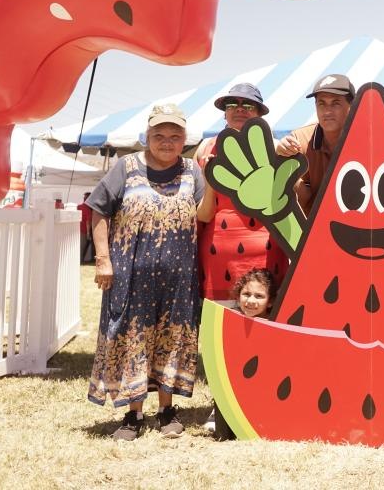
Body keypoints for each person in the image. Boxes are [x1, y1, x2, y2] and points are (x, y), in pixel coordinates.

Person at [87, 103, 210, 441]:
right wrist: (103, 259)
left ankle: (167, 411)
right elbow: (98, 210)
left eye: (174, 135)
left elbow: (204, 214)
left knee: (172, 339)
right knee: (133, 340)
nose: (167, 141)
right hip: (130, 278)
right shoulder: (126, 167)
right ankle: (134, 414)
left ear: (184, 139)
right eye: (159, 135)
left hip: (178, 279)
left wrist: (214, 178)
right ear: (147, 136)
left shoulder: (193, 171)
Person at [194, 83, 288, 298]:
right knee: (218, 316)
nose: (239, 109)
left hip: (266, 253)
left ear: (259, 114)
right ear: (224, 112)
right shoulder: (205, 148)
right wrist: (210, 181)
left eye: (248, 105)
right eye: (231, 104)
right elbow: (203, 215)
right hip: (217, 254)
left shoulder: (277, 148)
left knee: (264, 314)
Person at [211, 268, 276, 441]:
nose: (251, 301)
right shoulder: (230, 322)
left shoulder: (274, 326)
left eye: (259, 296)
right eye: (246, 294)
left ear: (270, 302)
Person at [275, 74, 355, 213]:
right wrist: (281, 161)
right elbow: (302, 200)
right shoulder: (299, 141)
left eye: (335, 103)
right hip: (314, 224)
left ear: (352, 106)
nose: (327, 111)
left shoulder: (370, 141)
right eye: (321, 103)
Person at [78, 192, 93, 262]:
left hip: (76, 230)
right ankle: (80, 261)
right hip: (83, 231)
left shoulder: (78, 207)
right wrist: (88, 233)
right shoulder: (88, 209)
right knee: (81, 248)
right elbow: (88, 222)